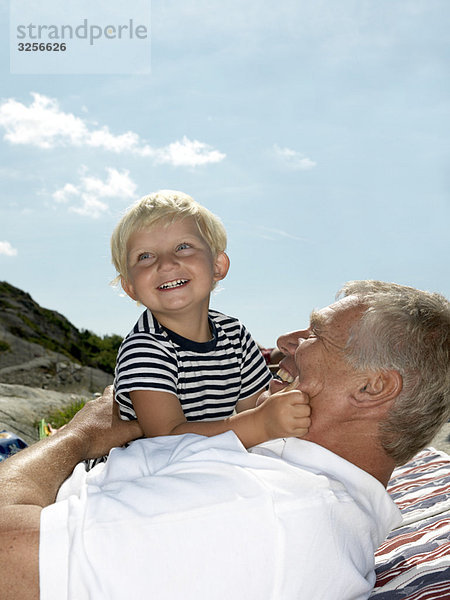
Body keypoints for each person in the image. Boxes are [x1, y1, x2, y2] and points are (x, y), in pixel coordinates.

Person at [0, 280, 448, 600]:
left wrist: (80, 436)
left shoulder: (257, 506)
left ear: (372, 388)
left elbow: (7, 553)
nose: (284, 341)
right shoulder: (290, 473)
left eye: (315, 334)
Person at [109, 190, 308, 449]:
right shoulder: (144, 348)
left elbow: (258, 405)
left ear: (217, 266)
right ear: (130, 286)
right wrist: (262, 424)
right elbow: (167, 439)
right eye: (145, 256)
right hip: (147, 470)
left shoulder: (234, 335)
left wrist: (282, 403)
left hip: (204, 462)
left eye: (183, 247)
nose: (166, 263)